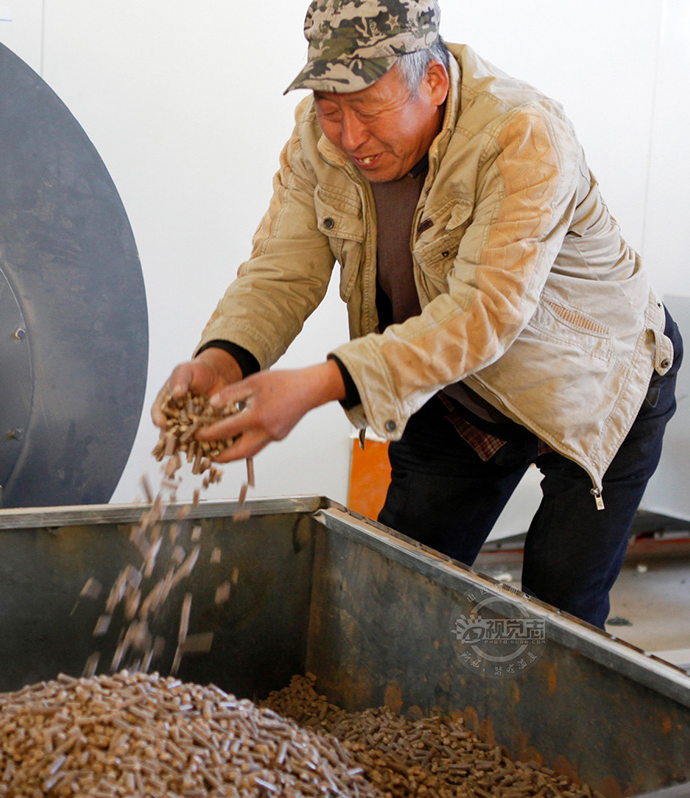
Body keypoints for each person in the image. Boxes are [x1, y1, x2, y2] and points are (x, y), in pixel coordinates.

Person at [154, 0, 681, 629]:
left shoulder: (522, 134)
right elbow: (281, 269)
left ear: (433, 82)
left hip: (592, 387)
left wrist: (317, 385)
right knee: (394, 593)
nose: (349, 138)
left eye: (369, 110)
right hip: (457, 392)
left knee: (556, 619)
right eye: (330, 109)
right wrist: (222, 358)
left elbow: (484, 313)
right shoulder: (316, 142)